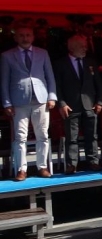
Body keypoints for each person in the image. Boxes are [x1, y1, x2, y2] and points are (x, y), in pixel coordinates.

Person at [1, 25, 57, 181]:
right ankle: (21, 169)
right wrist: (6, 103)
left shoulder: (42, 53)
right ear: (16, 38)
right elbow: (4, 81)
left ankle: (42, 167)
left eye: (28, 35)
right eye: (21, 35)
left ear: (32, 37)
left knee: (43, 135)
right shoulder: (7, 56)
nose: (25, 38)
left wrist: (52, 96)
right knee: (20, 137)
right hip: (19, 101)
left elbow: (50, 76)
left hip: (41, 99)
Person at [54, 35, 102, 173]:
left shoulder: (90, 62)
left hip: (90, 105)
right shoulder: (60, 64)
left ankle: (93, 161)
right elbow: (57, 86)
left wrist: (99, 101)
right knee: (72, 137)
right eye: (81, 46)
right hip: (71, 105)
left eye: (85, 45)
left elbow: (98, 83)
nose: (85, 48)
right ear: (71, 47)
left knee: (92, 135)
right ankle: (72, 164)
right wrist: (61, 103)